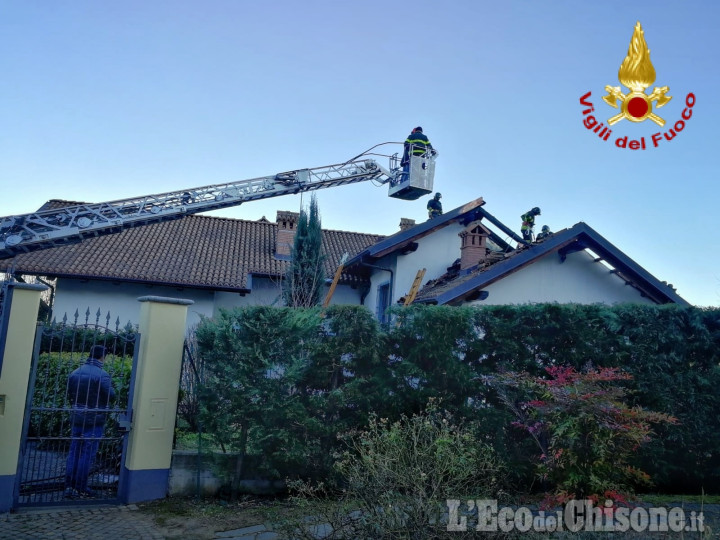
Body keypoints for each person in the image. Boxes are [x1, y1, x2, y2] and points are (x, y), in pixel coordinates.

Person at [65, 345, 115, 498]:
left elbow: (69, 394)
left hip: (77, 417)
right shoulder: (102, 375)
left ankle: (69, 487)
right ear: (102, 357)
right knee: (87, 454)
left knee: (74, 451)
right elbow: (111, 396)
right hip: (94, 420)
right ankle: (81, 487)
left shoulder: (75, 372)